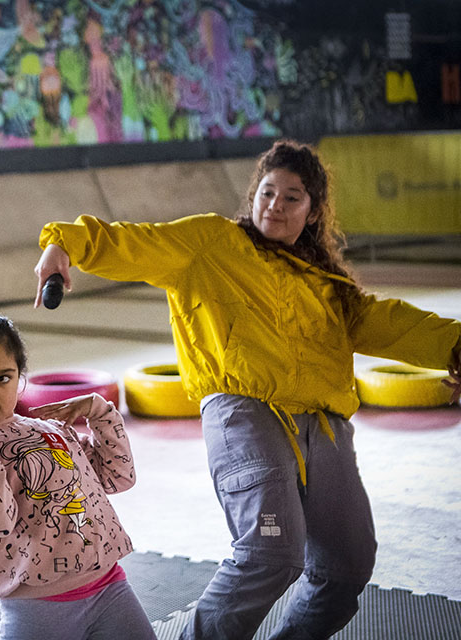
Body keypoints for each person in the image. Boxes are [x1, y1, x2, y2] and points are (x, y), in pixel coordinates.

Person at [33, 139, 461, 639]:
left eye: (292, 197)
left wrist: (454, 344)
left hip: (325, 426)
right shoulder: (211, 244)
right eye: (267, 192)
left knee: (347, 566)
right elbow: (134, 241)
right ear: (253, 195)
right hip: (245, 413)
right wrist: (65, 244)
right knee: (270, 553)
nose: (275, 205)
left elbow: (387, 322)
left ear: (314, 210)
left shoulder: (324, 281)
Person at [0, 312, 156, 640]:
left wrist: (98, 411)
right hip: (38, 607)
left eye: (3, 378)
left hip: (109, 588)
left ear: (19, 378)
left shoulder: (51, 430)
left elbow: (118, 477)